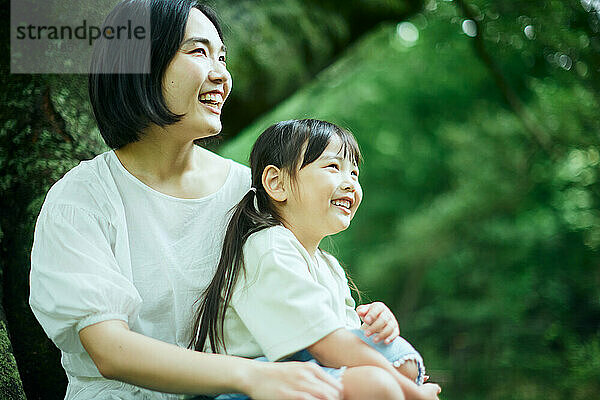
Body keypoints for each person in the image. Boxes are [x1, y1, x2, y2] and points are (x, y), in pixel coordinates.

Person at [28, 1, 344, 399]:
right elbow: (110, 351)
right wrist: (249, 377)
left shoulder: (250, 192)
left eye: (222, 57)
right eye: (198, 51)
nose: (222, 75)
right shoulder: (81, 200)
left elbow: (307, 290)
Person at [191, 119, 442, 400]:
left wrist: (375, 326)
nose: (350, 183)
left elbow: (344, 342)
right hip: (249, 386)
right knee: (377, 384)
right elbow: (327, 346)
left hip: (300, 373)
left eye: (355, 173)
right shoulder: (269, 246)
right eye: (334, 167)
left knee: (398, 357)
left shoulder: (330, 267)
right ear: (277, 183)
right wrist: (415, 395)